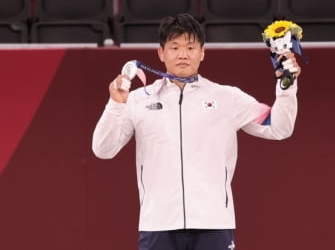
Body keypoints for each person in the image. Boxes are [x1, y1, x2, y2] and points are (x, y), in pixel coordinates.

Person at [92, 13, 301, 250]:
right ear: (161, 53)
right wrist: (115, 105)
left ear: (202, 52)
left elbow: (279, 128)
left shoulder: (227, 97)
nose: (183, 54)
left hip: (214, 224)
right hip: (158, 224)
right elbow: (103, 149)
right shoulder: (139, 99)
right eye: (175, 47)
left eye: (190, 47)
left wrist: (287, 86)